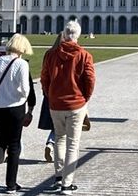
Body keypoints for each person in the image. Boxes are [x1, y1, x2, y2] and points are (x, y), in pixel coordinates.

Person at [41, 20, 95, 195]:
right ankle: (67, 184)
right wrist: (84, 98)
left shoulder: (51, 55)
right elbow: (90, 81)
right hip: (75, 105)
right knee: (73, 144)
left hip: (55, 104)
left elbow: (44, 79)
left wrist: (50, 96)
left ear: (64, 34)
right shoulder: (84, 55)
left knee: (59, 139)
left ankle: (58, 177)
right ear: (77, 36)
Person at [0, 34, 36, 194]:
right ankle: (10, 184)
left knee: (1, 142)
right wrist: (16, 94)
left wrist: (1, 92)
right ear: (22, 48)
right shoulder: (21, 64)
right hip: (15, 107)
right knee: (14, 145)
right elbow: (26, 89)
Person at [39, 32, 65, 163]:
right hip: (65, 95)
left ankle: (51, 143)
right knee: (63, 126)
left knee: (56, 123)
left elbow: (44, 75)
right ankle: (52, 145)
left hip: (50, 93)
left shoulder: (48, 54)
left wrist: (45, 91)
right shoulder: (69, 54)